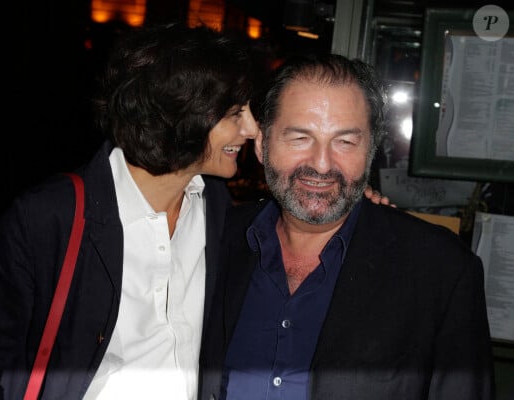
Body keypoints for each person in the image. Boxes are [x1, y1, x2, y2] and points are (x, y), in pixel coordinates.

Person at [0, 24, 390, 399]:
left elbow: (301, 215)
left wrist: (354, 204)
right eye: (235, 113)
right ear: (184, 117)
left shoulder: (216, 209)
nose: (253, 130)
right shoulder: (50, 218)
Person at [199, 53, 495, 400]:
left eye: (345, 142)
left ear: (370, 151)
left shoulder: (441, 272)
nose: (322, 164)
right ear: (263, 145)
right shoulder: (212, 238)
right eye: (300, 138)